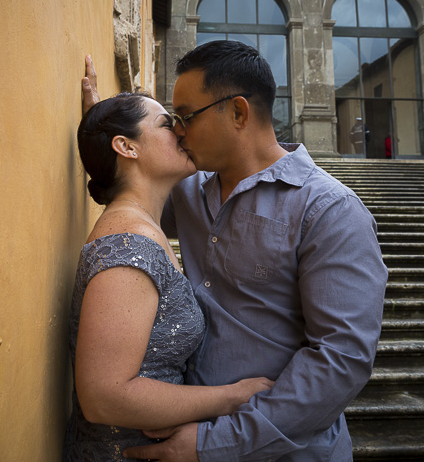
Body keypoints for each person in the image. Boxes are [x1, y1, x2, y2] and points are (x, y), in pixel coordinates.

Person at [81, 41, 387, 461]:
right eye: (171, 122)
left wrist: (215, 444)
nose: (179, 131)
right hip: (183, 430)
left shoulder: (328, 210)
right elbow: (131, 188)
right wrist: (102, 126)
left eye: (185, 117)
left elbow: (341, 360)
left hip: (281, 451)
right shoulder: (187, 190)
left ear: (239, 113)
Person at [64, 91, 274, 461]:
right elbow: (104, 397)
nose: (180, 132)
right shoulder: (128, 245)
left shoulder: (146, 227)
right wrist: (232, 397)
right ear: (127, 147)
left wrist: (101, 122)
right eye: (166, 123)